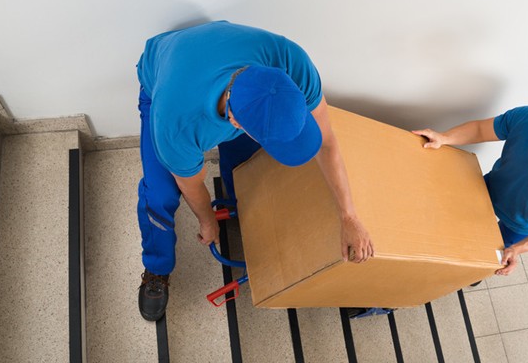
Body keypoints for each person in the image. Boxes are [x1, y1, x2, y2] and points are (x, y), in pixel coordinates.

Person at [135, 21, 374, 321]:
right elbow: (192, 186)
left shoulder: (291, 62)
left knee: (247, 169)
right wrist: (207, 221)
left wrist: (349, 215)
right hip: (161, 82)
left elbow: (326, 141)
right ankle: (157, 268)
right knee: (159, 193)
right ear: (236, 123)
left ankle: (242, 211)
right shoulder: (177, 124)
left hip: (212, 61)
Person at [413, 106, 528, 276]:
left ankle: (468, 275)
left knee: (480, 258)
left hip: (519, 224)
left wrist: (518, 249)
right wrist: (444, 138)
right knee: (447, 222)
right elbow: (480, 129)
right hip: (491, 187)